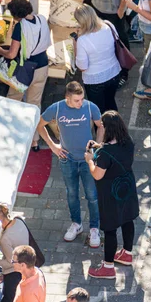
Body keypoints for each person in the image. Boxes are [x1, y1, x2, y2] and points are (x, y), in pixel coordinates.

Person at [37, 82, 104, 247]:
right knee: (71, 194)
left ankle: (94, 228)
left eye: (81, 99)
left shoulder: (90, 107)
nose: (80, 103)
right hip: (67, 159)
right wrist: (53, 146)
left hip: (87, 160)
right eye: (76, 100)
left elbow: (101, 125)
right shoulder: (56, 108)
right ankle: (77, 224)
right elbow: (39, 125)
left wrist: (98, 145)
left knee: (92, 196)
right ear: (67, 98)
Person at [85, 111, 140, 279]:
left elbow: (97, 175)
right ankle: (127, 254)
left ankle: (108, 267)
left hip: (110, 193)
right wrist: (99, 146)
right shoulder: (128, 142)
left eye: (102, 125)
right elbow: (113, 149)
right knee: (127, 219)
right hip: (127, 187)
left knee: (110, 228)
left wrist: (89, 159)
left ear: (108, 128)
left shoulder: (104, 154)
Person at [0, 0, 52, 152]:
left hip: (24, 69)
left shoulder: (20, 27)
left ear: (15, 15)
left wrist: (0, 50)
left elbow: (12, 54)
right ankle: (34, 140)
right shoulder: (41, 19)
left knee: (13, 100)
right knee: (34, 104)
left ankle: (9, 134)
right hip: (43, 66)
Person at [73, 5, 122, 114]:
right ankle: (116, 129)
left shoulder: (82, 40)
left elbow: (82, 67)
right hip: (113, 73)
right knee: (111, 104)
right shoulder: (109, 25)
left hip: (95, 80)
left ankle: (102, 131)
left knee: (98, 113)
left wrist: (75, 44)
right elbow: (116, 42)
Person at [90, 0, 131, 87]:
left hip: (114, 9)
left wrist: (121, 8)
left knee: (119, 40)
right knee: (101, 38)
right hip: (97, 5)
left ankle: (124, 72)